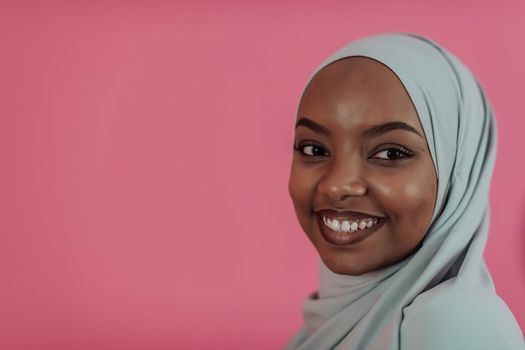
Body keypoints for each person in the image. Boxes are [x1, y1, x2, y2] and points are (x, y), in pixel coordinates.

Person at [286, 32, 525, 350]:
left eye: (391, 154)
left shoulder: (458, 327)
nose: (337, 184)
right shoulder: (332, 321)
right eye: (314, 149)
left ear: (457, 172)